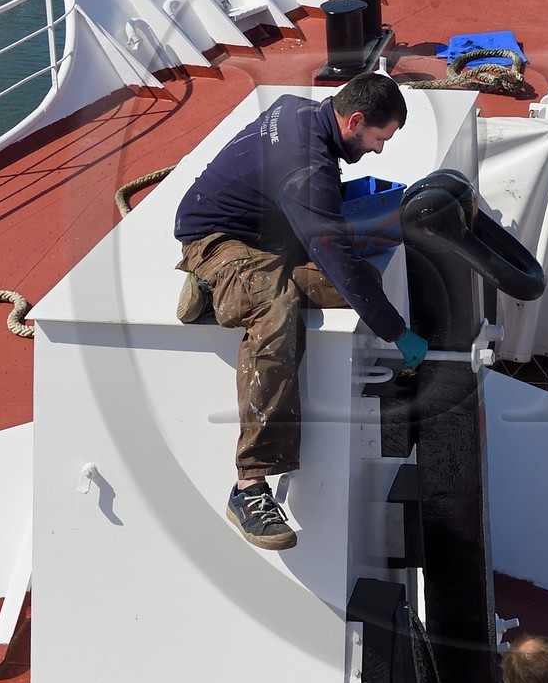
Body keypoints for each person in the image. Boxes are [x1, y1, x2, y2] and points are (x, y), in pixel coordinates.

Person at [172, 71, 427, 550]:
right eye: (379, 137)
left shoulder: (301, 109)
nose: (379, 150)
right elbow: (331, 249)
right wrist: (396, 331)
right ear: (354, 120)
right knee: (277, 310)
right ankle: (249, 485)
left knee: (360, 282)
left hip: (267, 234)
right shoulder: (307, 168)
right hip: (217, 238)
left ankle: (222, 293)